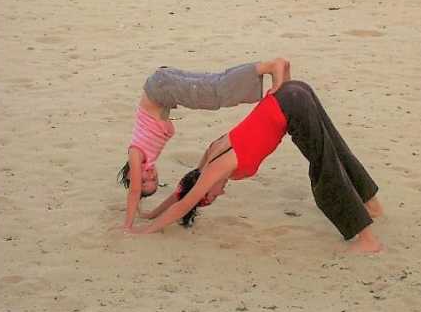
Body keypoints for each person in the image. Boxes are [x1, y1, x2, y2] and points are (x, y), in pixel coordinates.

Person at [128, 80, 384, 253]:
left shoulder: (216, 168)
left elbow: (185, 202)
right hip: (292, 92)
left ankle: (367, 239)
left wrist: (145, 230)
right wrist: (150, 213)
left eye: (213, 197)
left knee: (324, 167)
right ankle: (371, 204)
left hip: (292, 105)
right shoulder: (209, 156)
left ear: (205, 190)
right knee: (334, 148)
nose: (221, 194)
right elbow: (182, 191)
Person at [117, 58, 291, 230]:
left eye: (142, 180)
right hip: (163, 84)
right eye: (154, 179)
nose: (149, 176)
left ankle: (269, 66)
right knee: (215, 83)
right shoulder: (147, 157)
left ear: (130, 176)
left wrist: (128, 225)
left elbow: (134, 191)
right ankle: (280, 76)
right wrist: (150, 214)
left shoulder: (136, 152)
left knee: (215, 92)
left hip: (161, 88)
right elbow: (180, 192)